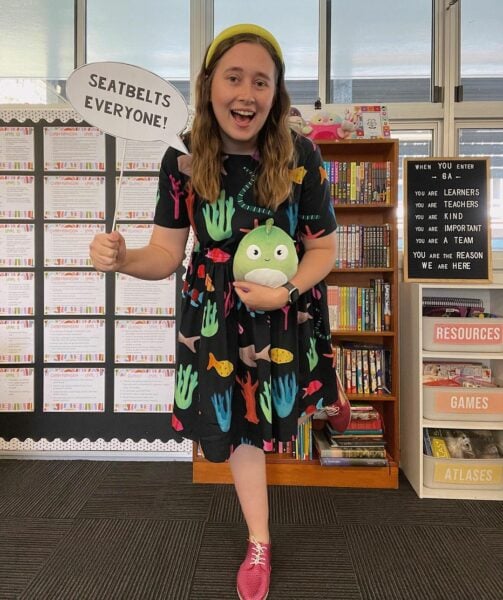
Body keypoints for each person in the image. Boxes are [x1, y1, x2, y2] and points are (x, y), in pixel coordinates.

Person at [90, 23, 343, 600]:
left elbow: (324, 247)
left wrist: (289, 291)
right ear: (209, 86)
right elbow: (164, 253)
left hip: (284, 306)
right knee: (241, 429)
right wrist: (125, 258)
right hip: (218, 316)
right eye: (233, 78)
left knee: (299, 392)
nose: (246, 94)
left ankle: (330, 393)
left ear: (276, 93)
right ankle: (260, 539)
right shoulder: (181, 159)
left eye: (261, 81)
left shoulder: (301, 153)